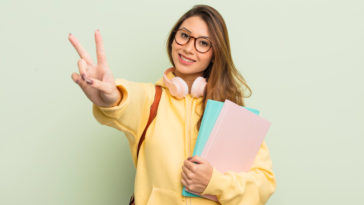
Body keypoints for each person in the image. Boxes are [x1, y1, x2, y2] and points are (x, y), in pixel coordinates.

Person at [68, 4, 276, 205]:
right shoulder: (150, 100)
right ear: (174, 37)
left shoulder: (232, 114)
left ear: (215, 54)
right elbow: (122, 99)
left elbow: (263, 185)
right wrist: (109, 96)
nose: (187, 48)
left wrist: (214, 183)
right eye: (184, 35)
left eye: (203, 43)